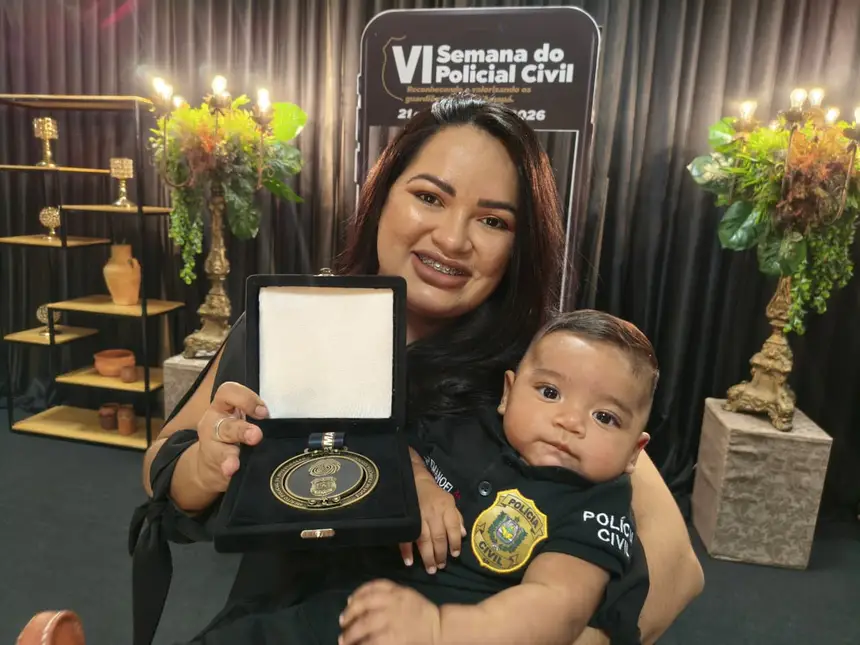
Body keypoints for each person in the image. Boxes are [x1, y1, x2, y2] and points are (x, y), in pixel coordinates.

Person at [131, 94, 703, 645]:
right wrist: (207, 465)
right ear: (381, 195)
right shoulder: (297, 317)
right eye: (430, 197)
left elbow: (677, 572)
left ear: (519, 245)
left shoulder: (542, 376)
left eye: (493, 221)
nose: (452, 239)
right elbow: (162, 466)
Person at [340, 309, 658, 645]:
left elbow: (555, 604)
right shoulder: (468, 423)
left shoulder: (599, 506)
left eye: (604, 417)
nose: (570, 421)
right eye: (550, 392)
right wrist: (418, 483)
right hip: (365, 596)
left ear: (634, 452)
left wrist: (439, 630)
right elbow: (395, 447)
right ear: (508, 393)